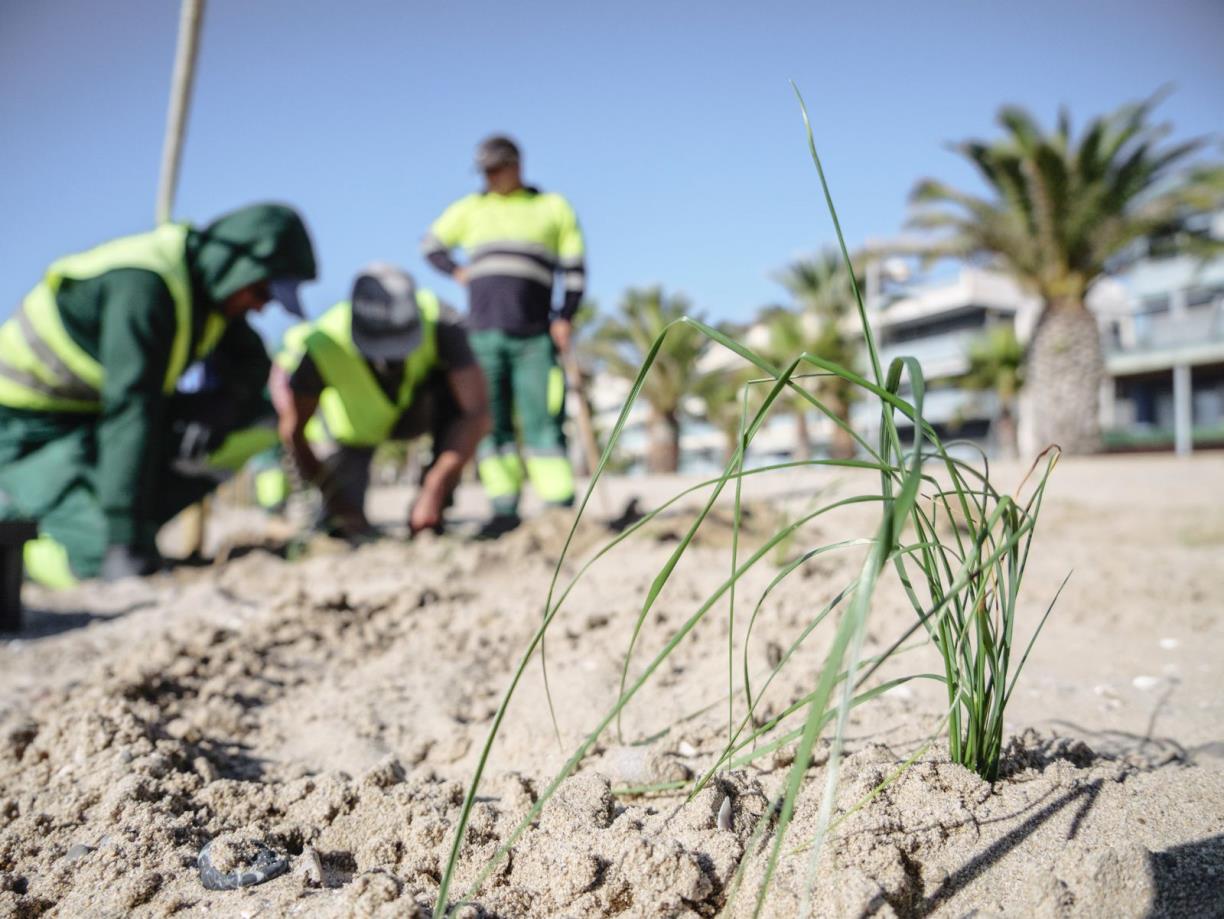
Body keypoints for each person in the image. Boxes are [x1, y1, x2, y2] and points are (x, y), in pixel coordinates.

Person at [0, 203, 318, 586]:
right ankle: (36, 534)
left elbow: (252, 367)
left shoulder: (210, 300)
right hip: (26, 428)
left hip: (99, 420)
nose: (262, 306)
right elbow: (132, 409)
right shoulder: (142, 288)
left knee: (261, 419)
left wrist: (222, 404)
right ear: (238, 266)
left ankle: (134, 526)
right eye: (261, 290)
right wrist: (121, 542)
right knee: (96, 559)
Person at [421, 134, 586, 537]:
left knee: (543, 417)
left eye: (497, 169)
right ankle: (503, 507)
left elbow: (575, 269)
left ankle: (558, 506)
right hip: (482, 336)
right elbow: (431, 245)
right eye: (485, 172)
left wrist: (565, 315)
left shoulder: (551, 208)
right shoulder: (471, 209)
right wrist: (459, 272)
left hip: (534, 334)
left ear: (516, 165)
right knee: (489, 422)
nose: (491, 178)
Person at [270, 263, 489, 537]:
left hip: (416, 413)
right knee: (342, 526)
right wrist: (335, 500)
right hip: (353, 437)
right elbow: (293, 433)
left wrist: (436, 484)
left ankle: (433, 511)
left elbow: (477, 412)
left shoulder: (440, 320)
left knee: (455, 403)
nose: (390, 360)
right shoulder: (323, 343)